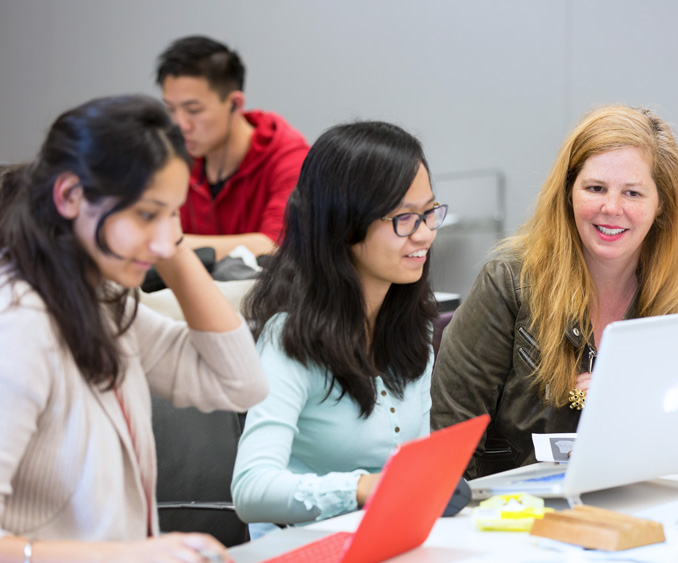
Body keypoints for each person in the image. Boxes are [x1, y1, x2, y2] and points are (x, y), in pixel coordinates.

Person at [430, 105, 678, 480]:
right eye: (595, 188)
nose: (611, 208)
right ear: (568, 192)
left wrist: (641, 397)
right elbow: (448, 435)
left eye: (633, 193)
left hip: (658, 497)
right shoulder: (510, 281)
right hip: (524, 509)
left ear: (661, 204)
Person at [0, 95, 269, 562]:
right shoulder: (20, 328)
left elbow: (240, 384)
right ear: (68, 196)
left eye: (174, 214)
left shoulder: (102, 304)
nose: (165, 241)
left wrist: (171, 243)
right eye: (146, 213)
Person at [231, 121, 447, 534]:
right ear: (345, 225)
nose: (425, 234)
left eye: (430, 213)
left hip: (384, 540)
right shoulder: (289, 340)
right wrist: (364, 488)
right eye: (405, 218)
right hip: (301, 549)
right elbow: (250, 490)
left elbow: (415, 461)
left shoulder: (411, 329)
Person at [156, 35, 310, 258]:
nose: (180, 125)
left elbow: (274, 247)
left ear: (234, 104)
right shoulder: (171, 155)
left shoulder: (290, 159)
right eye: (170, 109)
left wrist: (163, 242)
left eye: (193, 110)